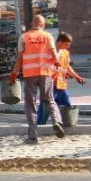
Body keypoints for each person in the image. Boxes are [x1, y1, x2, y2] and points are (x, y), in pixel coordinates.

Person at [8, 14, 66, 144]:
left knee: (30, 105)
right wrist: (58, 66)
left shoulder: (24, 37)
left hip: (30, 75)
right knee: (49, 100)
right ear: (42, 25)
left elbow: (20, 58)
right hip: (46, 73)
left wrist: (14, 74)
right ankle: (56, 121)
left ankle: (33, 137)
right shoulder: (48, 36)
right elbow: (54, 56)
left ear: (32, 24)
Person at [37, 32, 85, 125]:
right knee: (45, 107)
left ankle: (68, 124)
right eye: (66, 44)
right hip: (49, 86)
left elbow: (66, 67)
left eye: (68, 44)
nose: (68, 46)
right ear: (59, 42)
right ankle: (40, 126)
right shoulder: (48, 52)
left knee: (67, 106)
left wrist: (76, 77)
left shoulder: (65, 53)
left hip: (61, 86)